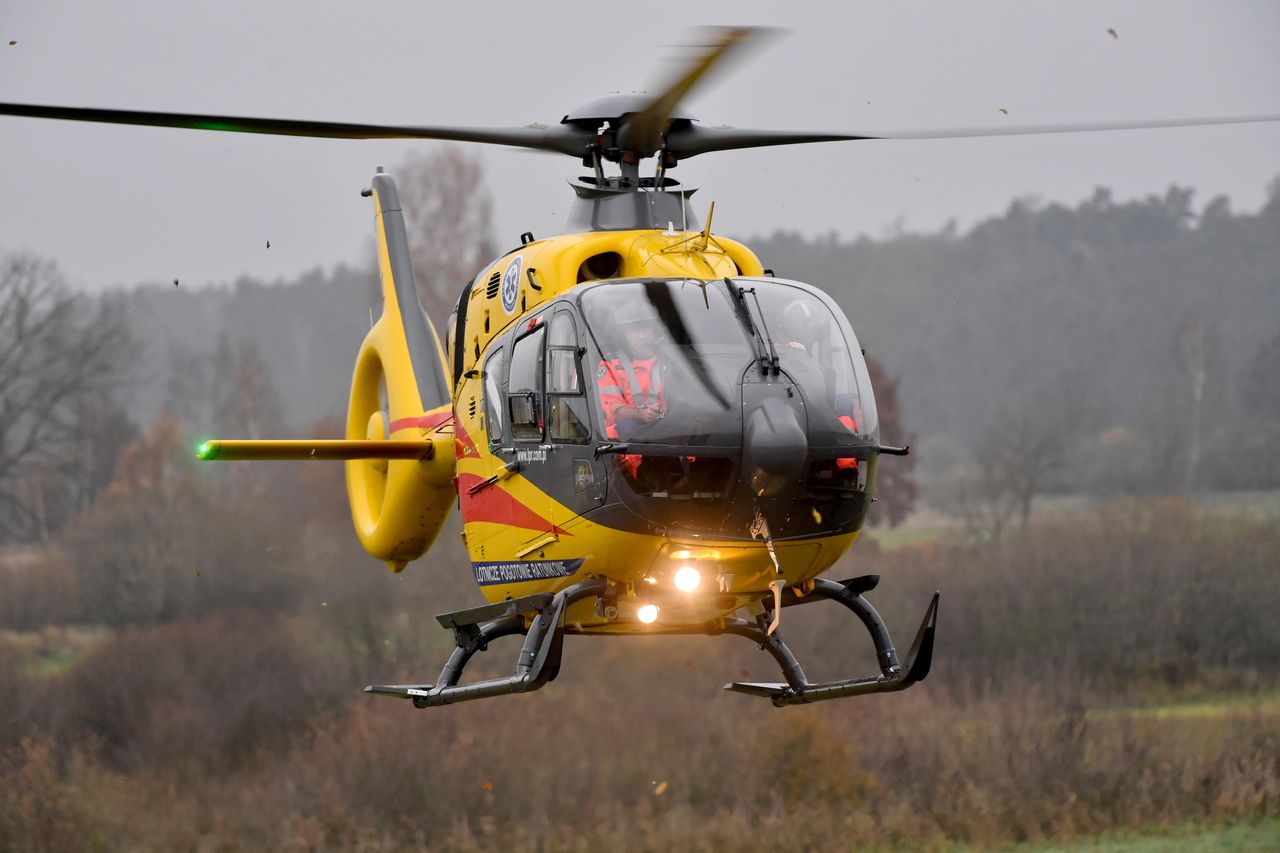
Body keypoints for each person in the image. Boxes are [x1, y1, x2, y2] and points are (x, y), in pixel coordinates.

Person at [596, 302, 668, 476]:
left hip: (666, 438)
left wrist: (663, 411)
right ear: (623, 334)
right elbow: (614, 410)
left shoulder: (669, 362)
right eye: (635, 330)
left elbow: (684, 402)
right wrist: (640, 415)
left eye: (646, 328)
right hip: (622, 448)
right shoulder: (610, 364)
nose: (642, 336)